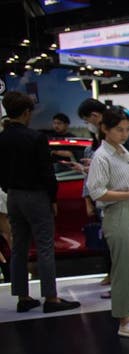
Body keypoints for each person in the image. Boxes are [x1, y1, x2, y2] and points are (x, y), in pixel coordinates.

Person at [0, 91, 81, 313]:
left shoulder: (2, 138)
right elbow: (47, 173)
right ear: (27, 112)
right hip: (36, 196)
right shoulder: (36, 138)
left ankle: (23, 297)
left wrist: (9, 189)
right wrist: (52, 198)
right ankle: (51, 298)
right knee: (45, 246)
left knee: (18, 247)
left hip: (13, 196)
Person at [84, 109, 129, 338]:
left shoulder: (121, 151)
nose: (124, 134)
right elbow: (97, 192)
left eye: (126, 130)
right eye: (119, 130)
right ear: (105, 129)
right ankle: (123, 320)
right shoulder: (102, 156)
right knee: (123, 268)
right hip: (118, 214)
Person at [78, 98, 129, 165]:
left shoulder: (115, 126)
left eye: (86, 120)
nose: (87, 123)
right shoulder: (100, 132)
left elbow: (128, 156)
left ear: (94, 115)